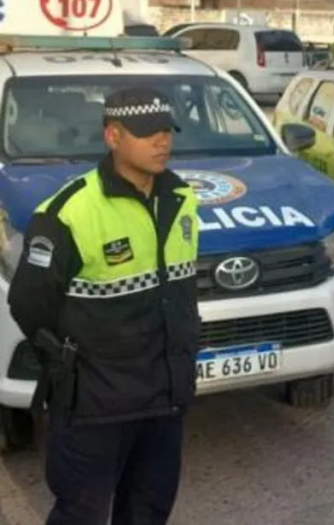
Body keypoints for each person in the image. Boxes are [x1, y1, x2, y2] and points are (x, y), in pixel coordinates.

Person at [7, 87, 199, 524]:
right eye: (148, 133)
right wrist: (77, 361)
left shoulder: (181, 199)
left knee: (148, 512)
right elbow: (29, 303)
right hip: (95, 409)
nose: (162, 142)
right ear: (113, 137)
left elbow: (181, 292)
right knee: (82, 515)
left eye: (167, 131)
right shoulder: (69, 212)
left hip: (164, 402)